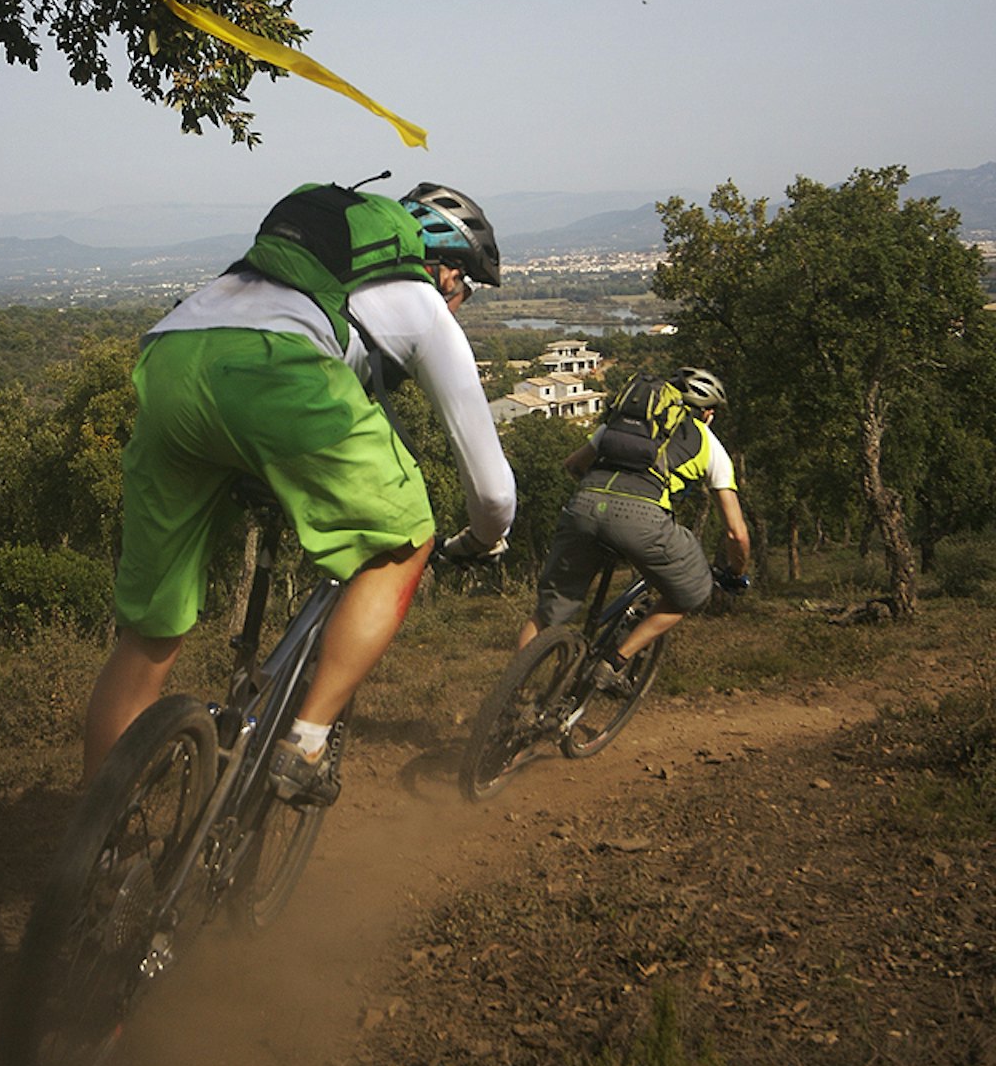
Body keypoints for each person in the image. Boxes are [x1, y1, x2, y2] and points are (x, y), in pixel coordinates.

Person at [83, 179, 517, 798]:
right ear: (446, 269)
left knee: (149, 632)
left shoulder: (290, 278)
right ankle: (307, 741)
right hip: (276, 371)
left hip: (171, 359)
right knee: (406, 540)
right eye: (467, 286)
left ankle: (97, 846)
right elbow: (494, 492)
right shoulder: (421, 304)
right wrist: (482, 538)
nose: (461, 301)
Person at [516, 366, 750, 690]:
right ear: (707, 413)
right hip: (643, 521)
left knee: (546, 613)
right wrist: (736, 572)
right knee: (691, 592)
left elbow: (573, 465)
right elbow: (735, 533)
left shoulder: (620, 425)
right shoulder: (707, 442)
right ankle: (613, 662)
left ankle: (513, 699)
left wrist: (597, 503)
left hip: (583, 505)